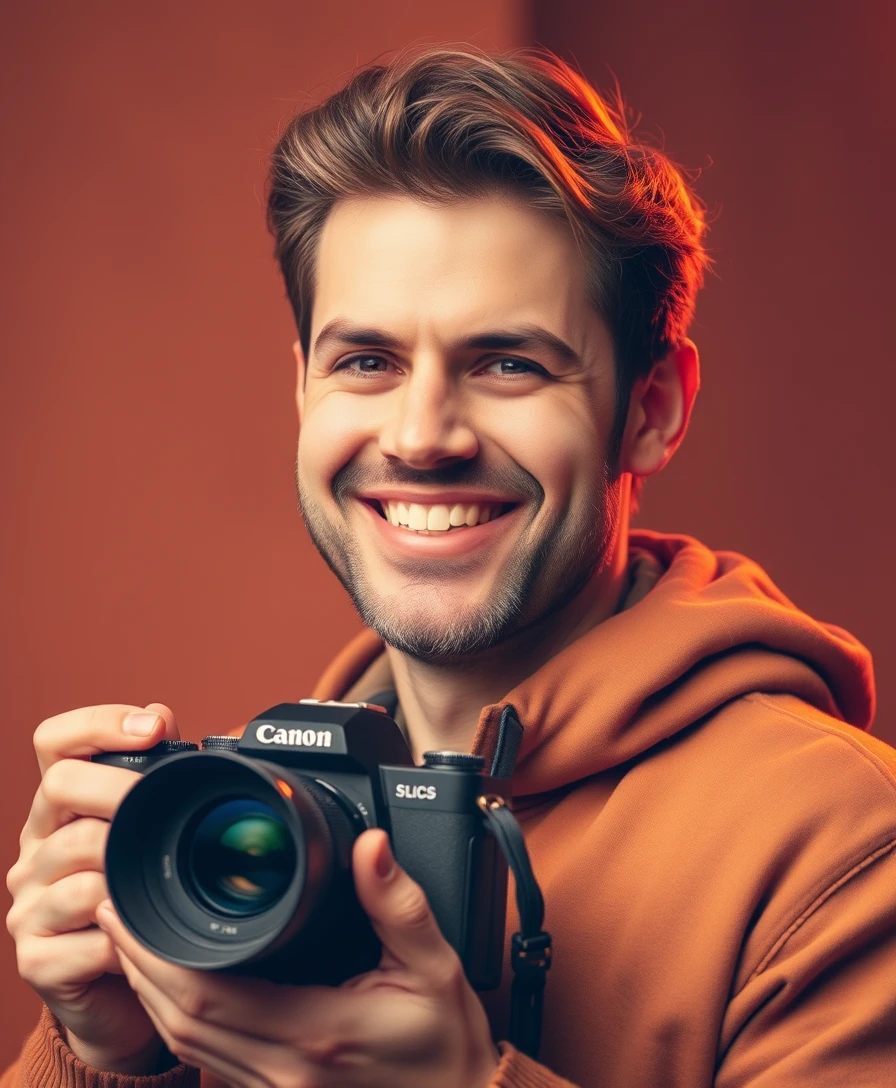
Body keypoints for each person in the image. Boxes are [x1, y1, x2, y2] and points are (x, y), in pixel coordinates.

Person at [4, 43, 895, 1088]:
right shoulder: (239, 830)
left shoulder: (841, 852)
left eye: (507, 362)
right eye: (367, 361)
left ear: (650, 409)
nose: (421, 434)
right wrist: (110, 1056)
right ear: (303, 392)